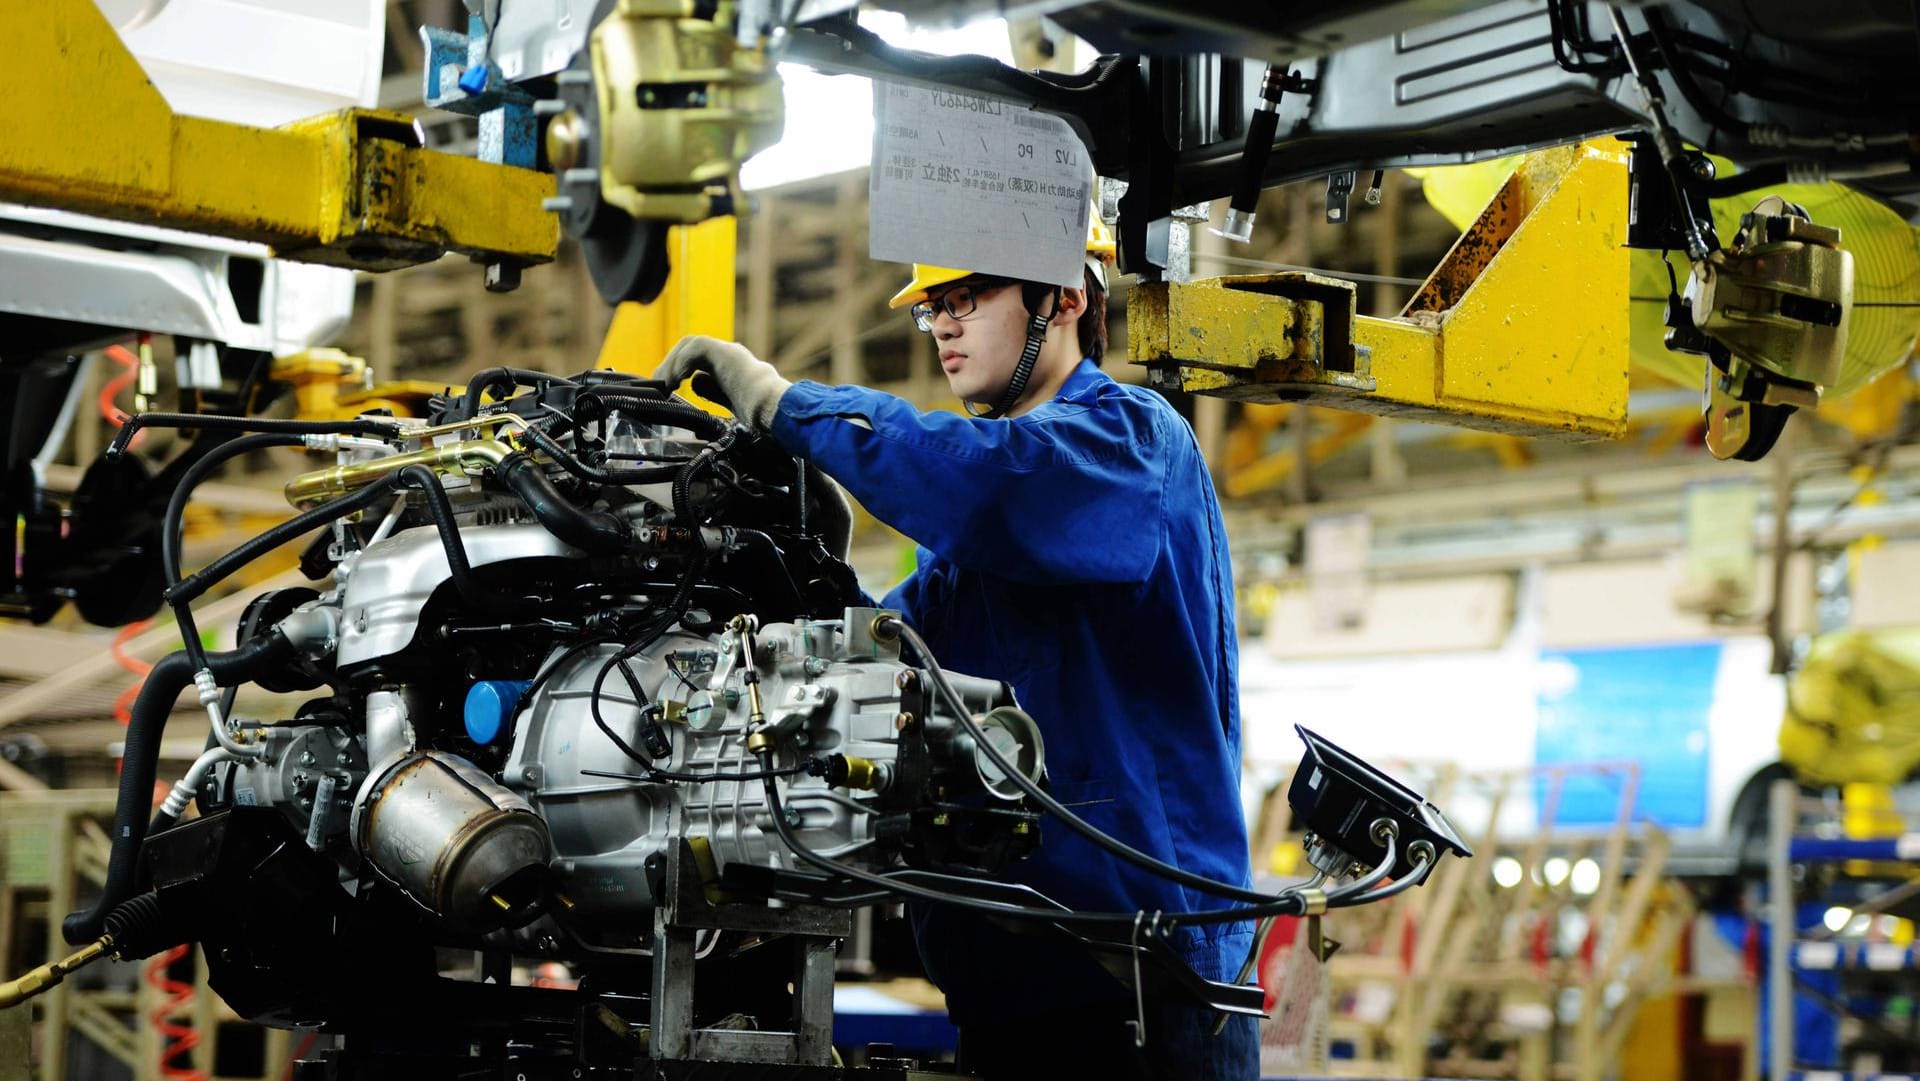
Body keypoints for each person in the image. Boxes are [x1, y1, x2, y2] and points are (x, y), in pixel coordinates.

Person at [654, 215, 1256, 1079]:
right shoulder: (964, 562)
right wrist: (775, 558)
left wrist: (786, 404)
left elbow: (991, 486)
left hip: (1142, 982)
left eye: (968, 297)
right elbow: (884, 652)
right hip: (1015, 987)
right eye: (933, 306)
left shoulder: (1131, 444)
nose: (943, 323)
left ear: (1066, 297)